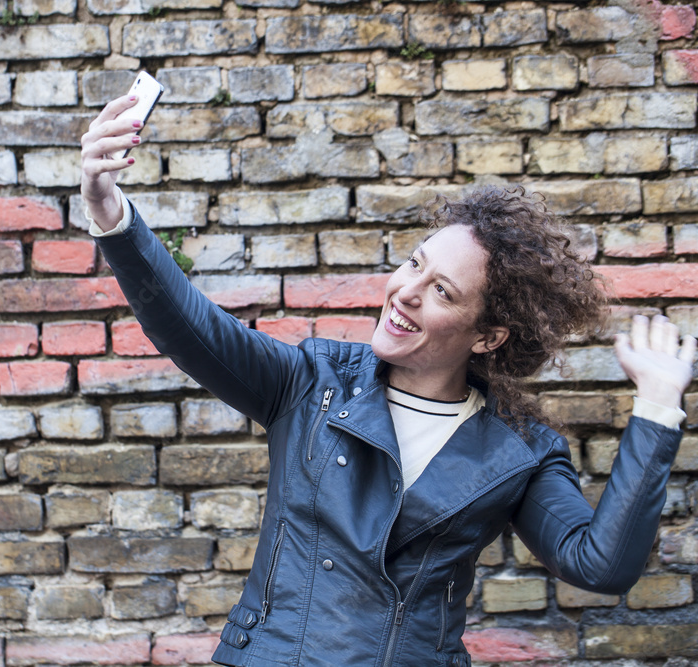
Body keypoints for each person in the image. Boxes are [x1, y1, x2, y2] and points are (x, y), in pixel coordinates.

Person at [80, 94, 696, 667]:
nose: (405, 292)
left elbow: (601, 565)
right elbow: (192, 327)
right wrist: (112, 214)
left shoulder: (520, 451)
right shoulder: (312, 383)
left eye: (441, 292)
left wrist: (658, 407)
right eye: (414, 262)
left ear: (487, 336)